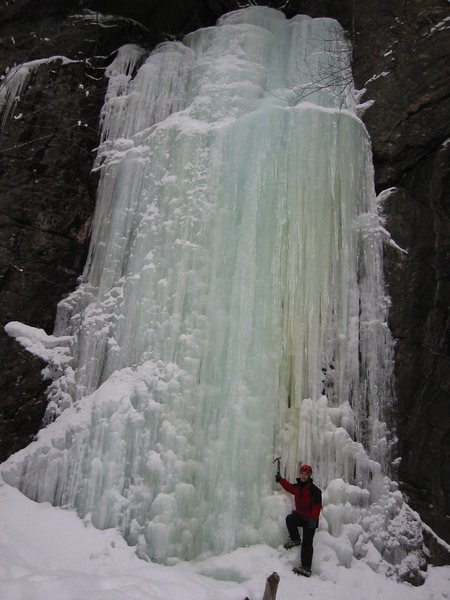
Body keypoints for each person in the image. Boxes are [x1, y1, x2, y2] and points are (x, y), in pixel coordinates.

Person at [275, 463, 322, 577]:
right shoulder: (298, 487)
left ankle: (306, 567)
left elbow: (317, 506)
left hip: (311, 519)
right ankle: (295, 539)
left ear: (309, 475)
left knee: (307, 542)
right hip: (301, 516)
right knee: (290, 519)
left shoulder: (314, 490)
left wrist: (313, 520)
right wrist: (280, 480)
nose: (303, 476)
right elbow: (289, 487)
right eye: (302, 473)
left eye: (306, 474)